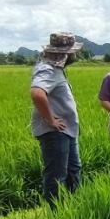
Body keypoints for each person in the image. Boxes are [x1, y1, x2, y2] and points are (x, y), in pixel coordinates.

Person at [30, 32, 82, 207]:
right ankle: (56, 215)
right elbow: (37, 93)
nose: (73, 56)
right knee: (57, 176)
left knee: (74, 170)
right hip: (55, 133)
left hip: (66, 130)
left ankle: (74, 207)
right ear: (63, 53)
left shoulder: (56, 69)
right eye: (71, 53)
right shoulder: (47, 69)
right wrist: (51, 120)